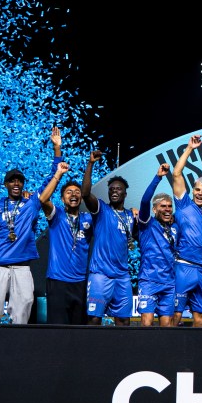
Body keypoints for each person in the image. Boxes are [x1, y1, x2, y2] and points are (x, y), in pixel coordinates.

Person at [0, 152, 51, 385]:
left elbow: (49, 183)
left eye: (20, 181)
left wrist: (57, 153)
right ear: (5, 184)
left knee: (20, 318)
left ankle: (16, 364)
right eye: (12, 180)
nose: (16, 184)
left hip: (22, 268)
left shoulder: (31, 204)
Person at [39, 127, 92, 326]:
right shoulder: (57, 215)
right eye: (69, 192)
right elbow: (43, 199)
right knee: (58, 330)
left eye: (77, 192)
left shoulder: (88, 219)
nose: (74, 194)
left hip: (81, 282)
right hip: (58, 281)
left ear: (81, 198)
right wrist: (58, 173)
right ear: (62, 199)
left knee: (79, 331)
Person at [81, 150, 137, 326]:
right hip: (101, 274)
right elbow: (85, 194)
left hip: (122, 276)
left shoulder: (131, 216)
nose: (114, 191)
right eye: (111, 189)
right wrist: (90, 164)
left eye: (118, 189)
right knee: (94, 318)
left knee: (124, 320)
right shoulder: (102, 210)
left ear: (125, 194)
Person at [171, 134, 202, 327]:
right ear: (193, 190)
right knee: (175, 314)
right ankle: (167, 346)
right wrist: (190, 148)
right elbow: (176, 174)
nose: (199, 193)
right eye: (197, 189)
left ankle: (197, 346)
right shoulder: (184, 204)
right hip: (184, 266)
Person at [135, 163, 178, 327]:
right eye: (163, 206)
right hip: (149, 280)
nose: (167, 209)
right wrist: (158, 177)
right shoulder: (147, 223)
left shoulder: (175, 228)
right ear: (154, 209)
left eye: (170, 206)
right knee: (146, 323)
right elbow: (145, 200)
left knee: (167, 326)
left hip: (169, 282)